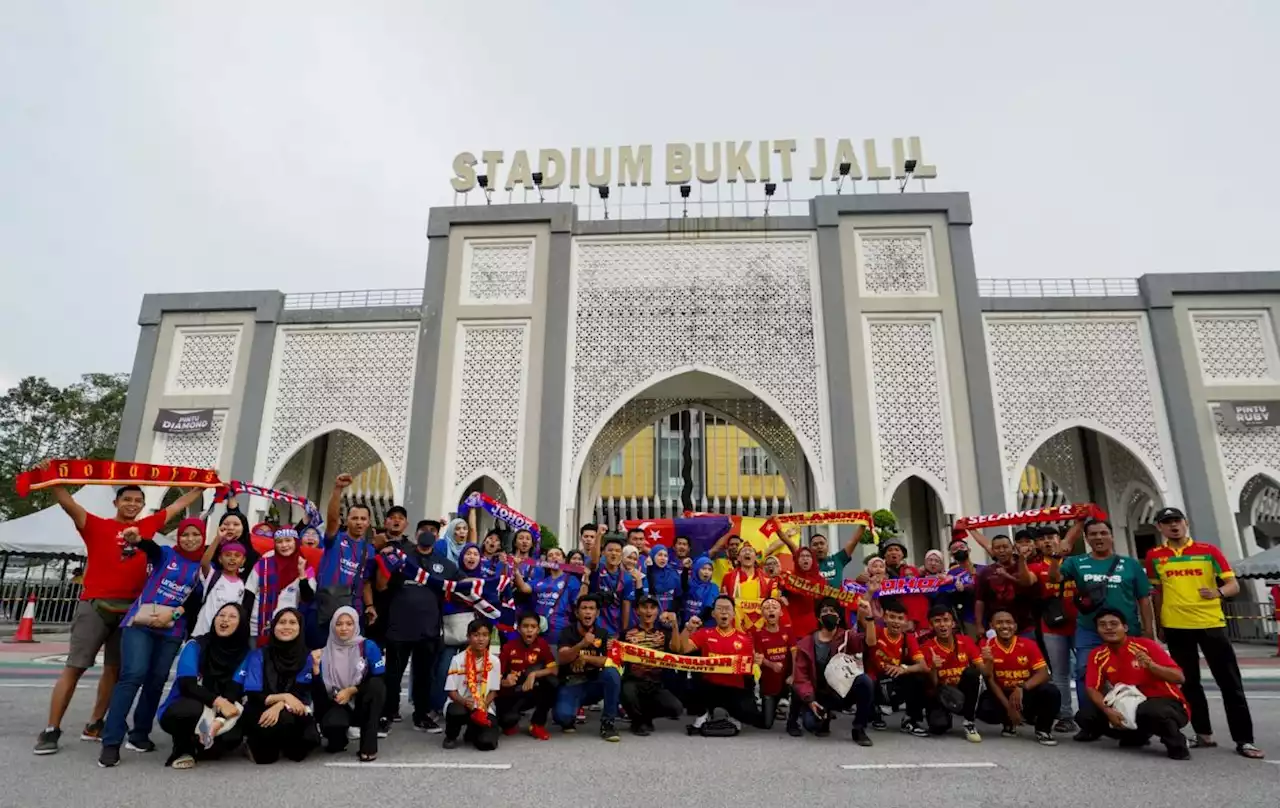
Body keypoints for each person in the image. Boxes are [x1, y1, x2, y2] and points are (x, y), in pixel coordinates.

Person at [33, 479, 202, 755]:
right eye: (127, 499)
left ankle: (95, 723)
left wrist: (201, 487)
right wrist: (56, 480)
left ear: (143, 506)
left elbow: (178, 505)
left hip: (131, 612)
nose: (132, 504)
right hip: (95, 605)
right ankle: (52, 728)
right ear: (116, 502)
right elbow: (68, 504)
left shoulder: (147, 527)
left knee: (115, 670)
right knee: (75, 666)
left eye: (137, 501)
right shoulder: (96, 525)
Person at [1144, 507, 1263, 759]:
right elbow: (1158, 593)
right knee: (1189, 684)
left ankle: (1244, 740)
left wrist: (1218, 592)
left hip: (1210, 624)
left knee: (1230, 683)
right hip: (1176, 626)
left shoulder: (1208, 551)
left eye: (1177, 521)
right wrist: (1159, 625)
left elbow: (1232, 585)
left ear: (1185, 523)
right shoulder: (1155, 556)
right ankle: (1203, 734)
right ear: (1159, 528)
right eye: (1167, 523)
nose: (1173, 526)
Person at [98, 518, 208, 768]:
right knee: (132, 675)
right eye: (185, 534)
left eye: (196, 535)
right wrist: (137, 540)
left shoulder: (203, 568)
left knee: (157, 680)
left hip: (172, 629)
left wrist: (174, 615)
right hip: (141, 623)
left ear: (203, 537)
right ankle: (111, 741)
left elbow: (193, 605)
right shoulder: (166, 554)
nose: (190, 539)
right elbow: (151, 548)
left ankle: (139, 735)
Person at [1049, 517, 1155, 719]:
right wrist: (1056, 556)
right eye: (1093, 534)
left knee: (1131, 673)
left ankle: (1134, 718)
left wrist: (1149, 631)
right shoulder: (1076, 562)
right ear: (1087, 539)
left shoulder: (1130, 564)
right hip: (1089, 629)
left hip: (1127, 630)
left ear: (1111, 536)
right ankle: (1090, 720)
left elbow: (1143, 599)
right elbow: (1055, 578)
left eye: (1103, 533)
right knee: (1084, 672)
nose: (1099, 537)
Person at [1075, 607, 1191, 759]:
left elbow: (1179, 678)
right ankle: (1136, 735)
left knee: (1150, 711)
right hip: (1127, 702)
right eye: (1102, 625)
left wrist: (1152, 666)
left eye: (1113, 624)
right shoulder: (1097, 655)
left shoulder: (1145, 646)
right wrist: (1107, 711)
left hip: (1164, 703)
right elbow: (1092, 687)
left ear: (1125, 627)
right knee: (1086, 715)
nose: (1108, 628)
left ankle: (1177, 745)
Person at [382, 520, 454, 734]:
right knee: (393, 674)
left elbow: (463, 584)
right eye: (424, 530)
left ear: (437, 535)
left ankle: (421, 715)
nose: (428, 534)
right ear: (416, 533)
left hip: (428, 630)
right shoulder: (400, 557)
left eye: (433, 531)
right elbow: (381, 580)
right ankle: (387, 713)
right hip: (399, 627)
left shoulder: (446, 565)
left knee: (424, 676)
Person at [157, 603, 250, 769]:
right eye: (221, 615)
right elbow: (187, 685)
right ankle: (183, 747)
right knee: (190, 709)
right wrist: (219, 702)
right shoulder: (196, 645)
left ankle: (201, 739)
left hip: (221, 710)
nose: (225, 620)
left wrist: (219, 720)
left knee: (225, 744)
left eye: (232, 617)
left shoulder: (245, 653)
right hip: (189, 705)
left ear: (241, 624)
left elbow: (234, 689)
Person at [238, 608, 320, 764]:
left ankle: (284, 742)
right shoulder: (259, 654)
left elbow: (301, 692)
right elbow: (254, 694)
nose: (286, 627)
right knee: (265, 759)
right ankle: (251, 743)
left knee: (300, 751)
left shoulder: (306, 657)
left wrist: (281, 703)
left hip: (292, 708)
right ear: (274, 627)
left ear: (300, 628)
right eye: (282, 622)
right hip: (260, 707)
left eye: (292, 623)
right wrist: (284, 697)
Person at [792, 596, 877, 744]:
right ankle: (824, 716)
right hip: (820, 694)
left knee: (865, 682)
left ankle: (859, 729)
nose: (829, 614)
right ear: (818, 617)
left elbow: (870, 642)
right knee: (812, 725)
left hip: (843, 690)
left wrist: (869, 616)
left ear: (839, 617)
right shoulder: (806, 644)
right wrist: (810, 701)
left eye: (833, 611)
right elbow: (801, 677)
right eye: (825, 611)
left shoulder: (846, 636)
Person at [310, 605, 386, 760]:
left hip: (361, 700)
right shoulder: (322, 653)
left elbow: (379, 678)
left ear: (356, 625)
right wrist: (316, 671)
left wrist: (352, 690)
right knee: (334, 734)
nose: (344, 628)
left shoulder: (367, 646)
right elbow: (318, 696)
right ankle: (339, 738)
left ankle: (368, 746)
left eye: (349, 624)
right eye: (339, 624)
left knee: (376, 686)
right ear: (332, 627)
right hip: (335, 703)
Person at [977, 609, 1061, 745]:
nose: (1004, 626)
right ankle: (1008, 723)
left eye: (1008, 622)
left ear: (1015, 626)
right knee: (985, 708)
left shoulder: (1029, 644)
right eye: (999, 623)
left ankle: (1043, 729)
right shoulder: (986, 646)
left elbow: (1044, 673)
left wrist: (1022, 688)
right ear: (992, 626)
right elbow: (989, 678)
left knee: (1051, 691)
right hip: (1002, 692)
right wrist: (1009, 708)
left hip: (1024, 692)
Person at [1027, 525, 1080, 733]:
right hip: (1051, 625)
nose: (1047, 542)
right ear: (1038, 544)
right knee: (1059, 673)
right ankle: (1065, 715)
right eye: (1043, 539)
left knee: (1086, 669)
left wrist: (1079, 521)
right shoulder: (1035, 566)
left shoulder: (1076, 563)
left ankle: (1097, 713)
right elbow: (1051, 578)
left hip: (1079, 624)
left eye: (1052, 537)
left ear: (1060, 539)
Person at [688, 595, 763, 730]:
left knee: (751, 715)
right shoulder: (704, 633)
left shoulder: (745, 639)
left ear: (734, 614)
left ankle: (733, 712)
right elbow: (681, 649)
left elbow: (750, 666)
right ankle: (705, 712)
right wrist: (686, 628)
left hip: (734, 686)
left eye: (727, 609)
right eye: (720, 609)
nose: (723, 612)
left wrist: (757, 661)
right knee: (690, 684)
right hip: (709, 685)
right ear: (713, 614)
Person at [554, 594, 623, 741]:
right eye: (584, 608)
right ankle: (569, 712)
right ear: (577, 612)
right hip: (571, 683)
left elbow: (608, 660)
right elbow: (562, 657)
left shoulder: (603, 634)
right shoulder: (567, 632)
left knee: (612, 672)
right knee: (563, 719)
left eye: (592, 608)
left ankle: (608, 723)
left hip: (593, 684)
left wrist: (584, 658)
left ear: (597, 613)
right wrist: (582, 645)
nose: (588, 612)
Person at [619, 595, 687, 736]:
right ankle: (637, 722)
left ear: (657, 611)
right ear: (637, 611)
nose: (648, 611)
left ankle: (646, 717)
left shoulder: (663, 633)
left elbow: (676, 649)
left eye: (652, 607)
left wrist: (674, 625)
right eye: (644, 607)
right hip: (633, 682)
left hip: (655, 684)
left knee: (676, 708)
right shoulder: (627, 634)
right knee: (627, 691)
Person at [320, 474, 375, 635]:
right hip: (327, 607)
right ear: (346, 521)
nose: (359, 522)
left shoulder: (370, 550)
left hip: (352, 610)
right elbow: (331, 520)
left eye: (363, 519)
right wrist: (338, 489)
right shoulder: (335, 539)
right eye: (355, 518)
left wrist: (370, 605)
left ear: (368, 522)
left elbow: (366, 582)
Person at [920, 604, 983, 742]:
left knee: (972, 673)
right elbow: (933, 684)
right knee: (938, 728)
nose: (942, 625)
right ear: (931, 625)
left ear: (953, 623)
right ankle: (945, 714)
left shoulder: (966, 641)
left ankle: (969, 722)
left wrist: (989, 661)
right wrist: (934, 668)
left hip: (963, 691)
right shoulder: (926, 648)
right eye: (937, 621)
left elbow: (983, 671)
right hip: (941, 693)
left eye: (946, 620)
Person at [866, 597, 929, 736]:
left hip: (894, 679)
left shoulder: (909, 638)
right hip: (875, 679)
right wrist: (868, 597)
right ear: (885, 617)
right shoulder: (876, 631)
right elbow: (862, 618)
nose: (895, 621)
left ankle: (910, 720)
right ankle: (873, 711)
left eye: (900, 618)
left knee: (919, 678)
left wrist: (904, 669)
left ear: (906, 622)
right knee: (865, 681)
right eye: (892, 617)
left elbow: (923, 666)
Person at [244, 527, 315, 647]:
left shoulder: (306, 567)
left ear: (296, 542)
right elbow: (249, 595)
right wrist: (244, 625)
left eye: (288, 540)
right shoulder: (262, 565)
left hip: (287, 629)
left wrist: (302, 574)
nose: (284, 545)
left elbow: (308, 598)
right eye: (279, 542)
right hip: (257, 628)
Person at [443, 619, 503, 751]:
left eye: (485, 635)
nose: (480, 639)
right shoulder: (458, 659)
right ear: (468, 637)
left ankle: (473, 730)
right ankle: (450, 736)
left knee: (487, 744)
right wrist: (464, 701)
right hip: (461, 704)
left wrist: (483, 705)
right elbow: (451, 691)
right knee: (456, 712)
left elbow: (493, 690)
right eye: (476, 635)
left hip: (483, 705)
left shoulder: (494, 661)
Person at [496, 612, 558, 740]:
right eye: (525, 626)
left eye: (533, 627)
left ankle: (537, 724)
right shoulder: (508, 647)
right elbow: (495, 677)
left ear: (538, 629)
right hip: (510, 693)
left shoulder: (542, 645)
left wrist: (534, 674)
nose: (529, 630)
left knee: (552, 683)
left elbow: (554, 669)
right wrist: (504, 682)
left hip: (530, 689)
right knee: (508, 721)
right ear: (518, 628)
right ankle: (509, 720)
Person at [974, 534, 1038, 637]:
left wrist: (1007, 575)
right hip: (997, 627)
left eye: (1005, 547)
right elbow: (980, 600)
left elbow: (1026, 584)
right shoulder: (986, 572)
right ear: (993, 551)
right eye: (997, 548)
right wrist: (979, 625)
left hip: (1025, 624)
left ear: (1012, 548)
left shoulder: (1024, 565)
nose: (1001, 550)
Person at [752, 597, 796, 733]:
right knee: (767, 724)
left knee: (797, 687)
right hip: (768, 684)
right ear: (762, 613)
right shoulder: (757, 634)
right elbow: (758, 658)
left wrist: (794, 675)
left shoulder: (788, 631)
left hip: (786, 681)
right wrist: (771, 665)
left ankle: (791, 715)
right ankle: (769, 704)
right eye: (766, 608)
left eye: (774, 607)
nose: (771, 609)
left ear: (781, 613)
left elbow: (795, 654)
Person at [526, 547, 581, 637]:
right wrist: (516, 570)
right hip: (538, 629)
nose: (554, 557)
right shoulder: (542, 580)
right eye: (550, 556)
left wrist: (586, 582)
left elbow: (577, 604)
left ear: (564, 560)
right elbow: (524, 588)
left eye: (558, 554)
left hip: (561, 630)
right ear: (546, 562)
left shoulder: (572, 580)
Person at [720, 544, 775, 632]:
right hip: (735, 626)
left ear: (755, 557)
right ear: (738, 558)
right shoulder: (728, 577)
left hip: (760, 627)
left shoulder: (767, 580)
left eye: (750, 550)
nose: (747, 552)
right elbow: (723, 602)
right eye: (744, 550)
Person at [590, 536, 635, 636]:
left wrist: (623, 631)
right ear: (603, 553)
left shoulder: (626, 578)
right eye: (610, 550)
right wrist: (599, 534)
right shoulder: (597, 570)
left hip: (615, 626)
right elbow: (593, 561)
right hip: (596, 626)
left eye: (618, 551)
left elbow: (626, 605)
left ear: (622, 555)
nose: (614, 553)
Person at [783, 546, 824, 637]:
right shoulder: (789, 577)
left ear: (813, 560)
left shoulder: (820, 580)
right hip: (792, 623)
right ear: (797, 560)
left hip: (812, 625)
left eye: (808, 556)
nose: (805, 558)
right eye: (802, 556)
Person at [683, 556, 719, 626]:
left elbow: (709, 609)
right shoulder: (690, 584)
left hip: (704, 626)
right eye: (703, 568)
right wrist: (685, 569)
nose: (706, 572)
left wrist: (698, 621)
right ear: (696, 569)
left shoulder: (713, 588)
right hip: (686, 626)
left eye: (710, 569)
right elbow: (683, 586)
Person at [647, 544, 683, 615]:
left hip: (669, 616)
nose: (663, 558)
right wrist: (649, 569)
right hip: (650, 615)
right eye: (660, 555)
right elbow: (649, 593)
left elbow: (678, 597)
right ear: (652, 556)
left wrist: (669, 612)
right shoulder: (647, 572)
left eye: (665, 556)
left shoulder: (674, 574)